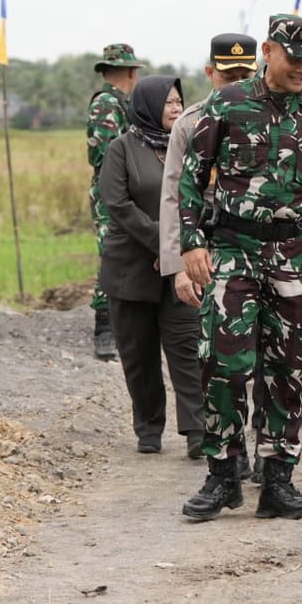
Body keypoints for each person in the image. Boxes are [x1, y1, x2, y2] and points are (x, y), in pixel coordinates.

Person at [179, 14, 302, 521]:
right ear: (268, 51)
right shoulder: (228, 103)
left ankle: (278, 481)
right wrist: (192, 243)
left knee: (288, 366)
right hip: (232, 250)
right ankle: (223, 476)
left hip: (295, 255)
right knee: (223, 363)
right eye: (295, 58)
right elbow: (192, 177)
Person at [158, 33, 259, 467]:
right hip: (207, 255)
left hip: (264, 252)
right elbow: (173, 196)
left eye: (243, 75)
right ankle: (227, 448)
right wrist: (178, 265)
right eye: (227, 75)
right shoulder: (191, 123)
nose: (235, 83)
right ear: (209, 73)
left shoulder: (274, 115)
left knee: (271, 358)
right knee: (219, 358)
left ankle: (268, 450)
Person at [99, 75, 203, 455]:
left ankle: (197, 431)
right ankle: (148, 427)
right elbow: (117, 203)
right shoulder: (121, 148)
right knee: (139, 356)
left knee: (188, 351)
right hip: (131, 269)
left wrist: (177, 248)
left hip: (181, 270)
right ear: (148, 106)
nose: (176, 109)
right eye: (168, 103)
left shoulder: (190, 145)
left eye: (179, 102)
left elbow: (200, 197)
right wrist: (164, 241)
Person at [87, 43, 146, 360]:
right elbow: (105, 156)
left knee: (127, 256)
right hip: (112, 193)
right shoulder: (107, 104)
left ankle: (123, 327)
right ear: (132, 71)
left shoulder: (123, 103)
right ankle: (104, 329)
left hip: (126, 191)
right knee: (112, 255)